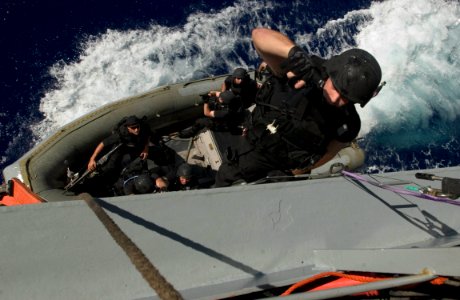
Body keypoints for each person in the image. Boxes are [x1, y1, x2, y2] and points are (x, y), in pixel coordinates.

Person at [214, 28, 383, 187]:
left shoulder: (348, 125)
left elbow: (327, 154)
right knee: (223, 182)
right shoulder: (300, 72)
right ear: (331, 72)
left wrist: (294, 172)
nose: (335, 99)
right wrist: (294, 54)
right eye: (335, 88)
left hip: (281, 170)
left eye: (346, 98)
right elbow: (258, 36)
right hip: (250, 148)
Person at [86, 115, 151, 191]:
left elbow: (147, 136)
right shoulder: (121, 133)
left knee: (135, 162)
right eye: (133, 128)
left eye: (137, 127)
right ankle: (99, 178)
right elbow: (102, 144)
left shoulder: (143, 127)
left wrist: (146, 149)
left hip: (135, 145)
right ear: (128, 128)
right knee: (111, 165)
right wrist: (92, 159)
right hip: (121, 146)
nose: (136, 130)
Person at [179, 90, 244, 138]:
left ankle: (190, 133)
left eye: (221, 99)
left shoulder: (226, 112)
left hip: (223, 124)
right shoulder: (232, 98)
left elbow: (207, 113)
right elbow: (216, 93)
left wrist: (206, 102)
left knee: (201, 121)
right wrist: (209, 94)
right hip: (233, 116)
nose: (219, 98)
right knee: (214, 102)